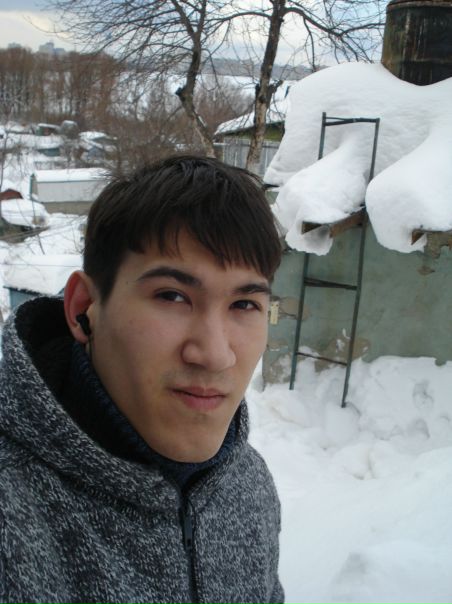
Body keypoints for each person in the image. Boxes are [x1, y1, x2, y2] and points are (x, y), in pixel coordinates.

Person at [0, 155, 284, 604]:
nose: (215, 355)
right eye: (172, 296)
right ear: (83, 308)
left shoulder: (248, 485)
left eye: (244, 304)